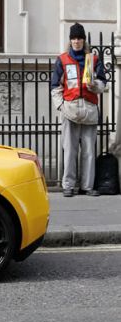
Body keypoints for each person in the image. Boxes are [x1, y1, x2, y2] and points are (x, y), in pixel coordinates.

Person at [51, 22, 107, 197]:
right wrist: (61, 106)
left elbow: (103, 83)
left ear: (84, 40)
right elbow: (55, 86)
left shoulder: (93, 60)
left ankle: (87, 187)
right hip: (70, 110)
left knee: (89, 151)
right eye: (74, 38)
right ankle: (68, 185)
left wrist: (94, 85)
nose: (77, 41)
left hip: (89, 109)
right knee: (70, 149)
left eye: (80, 38)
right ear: (70, 40)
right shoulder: (62, 60)